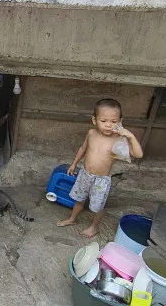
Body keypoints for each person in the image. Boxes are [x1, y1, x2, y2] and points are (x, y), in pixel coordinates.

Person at [56, 99, 143, 238]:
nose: (108, 125)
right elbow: (83, 148)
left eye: (114, 121)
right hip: (85, 174)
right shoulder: (91, 133)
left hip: (101, 180)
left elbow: (138, 154)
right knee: (79, 199)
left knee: (98, 207)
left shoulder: (118, 140)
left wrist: (131, 136)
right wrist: (74, 164)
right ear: (94, 120)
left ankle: (93, 227)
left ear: (120, 121)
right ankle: (72, 219)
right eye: (104, 120)